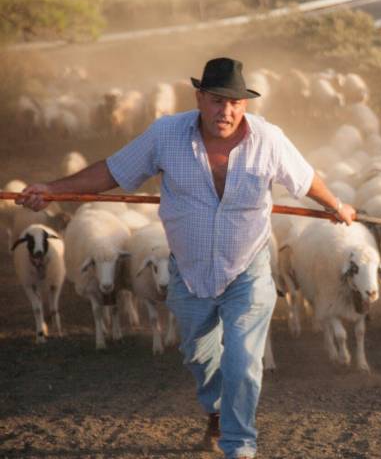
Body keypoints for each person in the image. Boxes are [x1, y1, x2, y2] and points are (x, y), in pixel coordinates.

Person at [17, 57, 356, 459]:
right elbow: (111, 172)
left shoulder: (269, 139)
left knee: (244, 361)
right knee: (198, 353)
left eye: (233, 102)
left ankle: (238, 445)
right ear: (199, 98)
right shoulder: (167, 134)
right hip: (189, 270)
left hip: (247, 268)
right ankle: (215, 410)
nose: (224, 111)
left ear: (245, 105)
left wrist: (336, 204)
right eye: (216, 100)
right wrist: (53, 190)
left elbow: (305, 178)